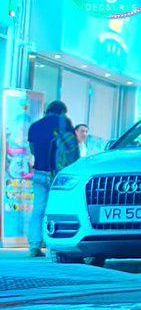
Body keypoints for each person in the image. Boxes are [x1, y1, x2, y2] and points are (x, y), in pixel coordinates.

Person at [26, 101, 77, 257]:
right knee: (57, 209)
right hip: (58, 174)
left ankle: (34, 245)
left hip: (39, 173)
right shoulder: (64, 122)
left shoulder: (34, 126)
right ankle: (54, 247)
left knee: (38, 209)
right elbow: (71, 148)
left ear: (47, 110)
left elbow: (33, 151)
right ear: (62, 112)